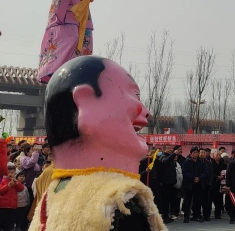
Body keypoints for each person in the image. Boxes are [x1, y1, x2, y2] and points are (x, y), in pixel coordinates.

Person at [28, 56, 166, 230]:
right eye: (135, 95)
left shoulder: (53, 193)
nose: (146, 112)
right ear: (86, 101)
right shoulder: (120, 199)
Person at [181, 146, 208, 223]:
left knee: (197, 200)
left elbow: (205, 172)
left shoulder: (201, 162)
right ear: (191, 153)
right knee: (187, 201)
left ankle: (196, 215)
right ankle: (186, 216)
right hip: (189, 184)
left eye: (196, 152)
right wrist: (193, 178)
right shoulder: (187, 162)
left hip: (198, 184)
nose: (195, 154)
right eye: (194, 152)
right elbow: (184, 172)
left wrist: (199, 178)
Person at [0, 165, 25, 231]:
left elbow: (21, 189)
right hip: (2, 206)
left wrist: (16, 183)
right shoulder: (2, 181)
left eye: (12, 172)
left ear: (14, 173)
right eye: (9, 172)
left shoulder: (16, 181)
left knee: (9, 225)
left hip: (12, 206)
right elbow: (0, 191)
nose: (10, 174)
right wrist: (8, 185)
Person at [210, 149, 227, 220]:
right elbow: (210, 173)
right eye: (216, 155)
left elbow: (226, 172)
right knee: (211, 199)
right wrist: (217, 177)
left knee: (219, 200)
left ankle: (218, 214)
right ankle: (208, 214)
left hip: (221, 184)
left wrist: (223, 177)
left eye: (219, 155)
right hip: (213, 184)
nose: (218, 157)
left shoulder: (223, 164)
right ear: (213, 156)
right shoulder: (210, 164)